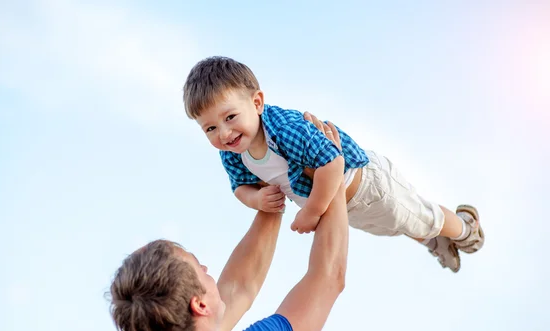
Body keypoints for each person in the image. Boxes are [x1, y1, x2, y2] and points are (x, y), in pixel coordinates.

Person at [109, 116, 349, 331]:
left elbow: (238, 288)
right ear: (198, 304)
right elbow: (328, 277)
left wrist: (268, 190)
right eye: (200, 269)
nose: (208, 269)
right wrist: (333, 169)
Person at [182, 56, 485, 273]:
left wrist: (311, 212)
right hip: (344, 207)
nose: (223, 134)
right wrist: (256, 198)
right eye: (209, 128)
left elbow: (332, 162)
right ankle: (435, 242)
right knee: (394, 226)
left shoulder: (285, 129)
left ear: (257, 103)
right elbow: (239, 186)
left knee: (417, 215)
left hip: (368, 186)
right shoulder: (232, 151)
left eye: (230, 117)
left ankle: (464, 229)